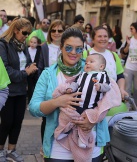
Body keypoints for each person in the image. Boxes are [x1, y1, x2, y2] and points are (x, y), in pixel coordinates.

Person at [29, 28, 121, 162]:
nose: (73, 53)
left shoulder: (94, 70)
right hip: (58, 149)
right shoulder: (48, 74)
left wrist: (93, 119)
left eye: (79, 49)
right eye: (68, 48)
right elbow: (33, 108)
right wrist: (57, 102)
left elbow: (110, 98)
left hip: (91, 144)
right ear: (60, 47)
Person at [53, 53, 118, 162]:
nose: (87, 63)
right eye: (87, 62)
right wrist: (70, 89)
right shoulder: (82, 75)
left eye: (91, 62)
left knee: (87, 122)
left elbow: (108, 87)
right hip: (76, 105)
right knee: (66, 114)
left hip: (90, 107)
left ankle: (83, 140)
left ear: (101, 66)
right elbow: (75, 84)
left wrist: (100, 86)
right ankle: (62, 130)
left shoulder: (102, 76)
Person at [0, 17, 38, 162]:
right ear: (15, 30)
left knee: (18, 121)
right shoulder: (3, 44)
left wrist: (31, 67)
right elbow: (5, 70)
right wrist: (25, 73)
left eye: (29, 33)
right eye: (24, 33)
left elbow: (26, 63)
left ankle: (11, 150)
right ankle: (0, 150)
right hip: (7, 90)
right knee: (6, 122)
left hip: (21, 90)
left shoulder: (23, 46)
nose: (26, 36)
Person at [38, 19, 65, 154]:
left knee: (63, 117)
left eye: (59, 30)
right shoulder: (44, 47)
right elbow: (40, 68)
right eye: (53, 30)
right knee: (47, 118)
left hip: (65, 87)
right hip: (49, 88)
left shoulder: (67, 46)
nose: (56, 33)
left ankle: (60, 146)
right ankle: (45, 146)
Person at [83, 26, 128, 99]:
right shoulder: (85, 54)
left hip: (111, 97)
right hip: (91, 98)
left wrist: (121, 89)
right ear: (93, 40)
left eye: (105, 36)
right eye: (99, 36)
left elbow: (120, 76)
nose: (103, 39)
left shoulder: (114, 55)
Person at [120, 22, 137, 106]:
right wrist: (128, 44)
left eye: (131, 28)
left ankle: (135, 105)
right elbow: (124, 52)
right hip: (128, 67)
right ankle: (127, 106)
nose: (130, 30)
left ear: (136, 29)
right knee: (128, 88)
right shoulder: (129, 39)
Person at [27, 36, 41, 103]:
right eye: (31, 42)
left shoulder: (39, 50)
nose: (32, 44)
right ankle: (30, 102)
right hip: (29, 72)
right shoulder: (26, 50)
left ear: (37, 43)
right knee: (29, 88)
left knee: (36, 87)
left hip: (36, 72)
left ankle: (35, 102)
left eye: (34, 43)